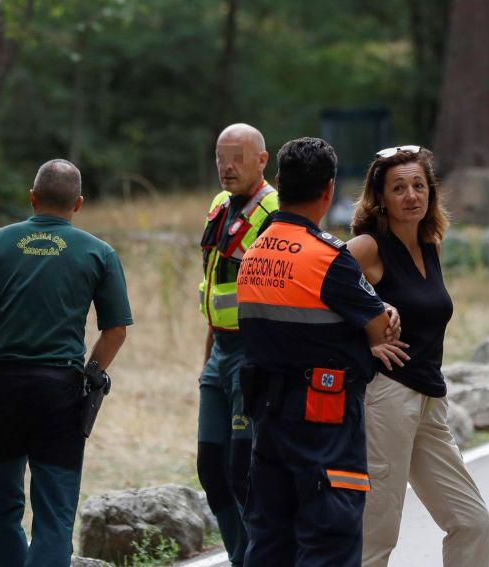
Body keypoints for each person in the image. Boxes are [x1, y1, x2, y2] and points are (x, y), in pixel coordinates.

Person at [0, 159, 132, 566]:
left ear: (32, 198)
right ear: (79, 204)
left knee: (1, 507)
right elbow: (116, 330)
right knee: (53, 516)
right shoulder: (99, 252)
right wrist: (91, 374)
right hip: (61, 394)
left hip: (2, 391)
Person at [236, 137, 397, 566]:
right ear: (328, 191)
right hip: (325, 420)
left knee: (270, 539)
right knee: (329, 539)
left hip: (268, 416)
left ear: (278, 183)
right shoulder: (329, 258)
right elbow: (382, 332)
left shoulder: (253, 254)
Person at [347, 146, 489, 567]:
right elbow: (321, 283)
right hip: (387, 398)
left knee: (470, 521)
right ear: (381, 198)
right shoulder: (368, 247)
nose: (412, 195)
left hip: (430, 401)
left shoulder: (430, 245)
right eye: (399, 188)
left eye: (419, 185)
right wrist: (368, 337)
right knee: (377, 534)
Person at [196, 122, 278, 566]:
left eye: (237, 158)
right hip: (219, 354)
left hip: (252, 352)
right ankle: (239, 557)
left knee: (243, 472)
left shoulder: (274, 211)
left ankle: (257, 559)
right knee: (211, 469)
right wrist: (206, 356)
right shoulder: (219, 205)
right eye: (220, 157)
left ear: (262, 161)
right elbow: (215, 282)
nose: (226, 167)